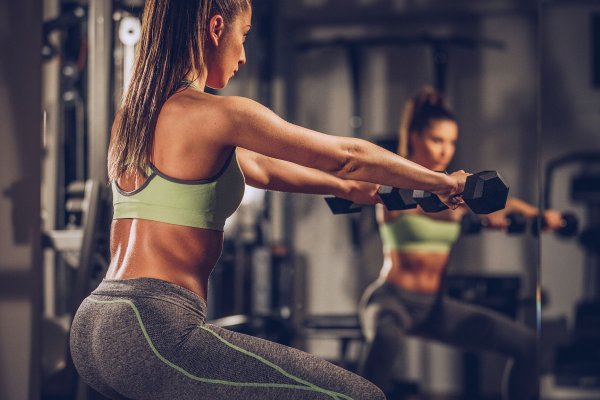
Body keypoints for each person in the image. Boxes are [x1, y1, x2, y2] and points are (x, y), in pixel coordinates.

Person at [69, 2, 469, 399]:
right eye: (243, 37)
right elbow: (349, 157)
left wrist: (351, 190)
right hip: (152, 326)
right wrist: (440, 182)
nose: (243, 55)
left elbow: (259, 167)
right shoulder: (220, 114)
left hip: (95, 323)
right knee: (361, 396)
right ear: (215, 28)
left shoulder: (133, 116)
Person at [357, 86, 562, 400]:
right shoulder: (396, 182)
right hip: (391, 301)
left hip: (434, 306)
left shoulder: (453, 191)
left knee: (526, 345)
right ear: (414, 137)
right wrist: (472, 216)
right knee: (382, 350)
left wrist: (540, 216)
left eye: (451, 142)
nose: (445, 150)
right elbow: (428, 208)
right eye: (436, 140)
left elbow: (505, 205)